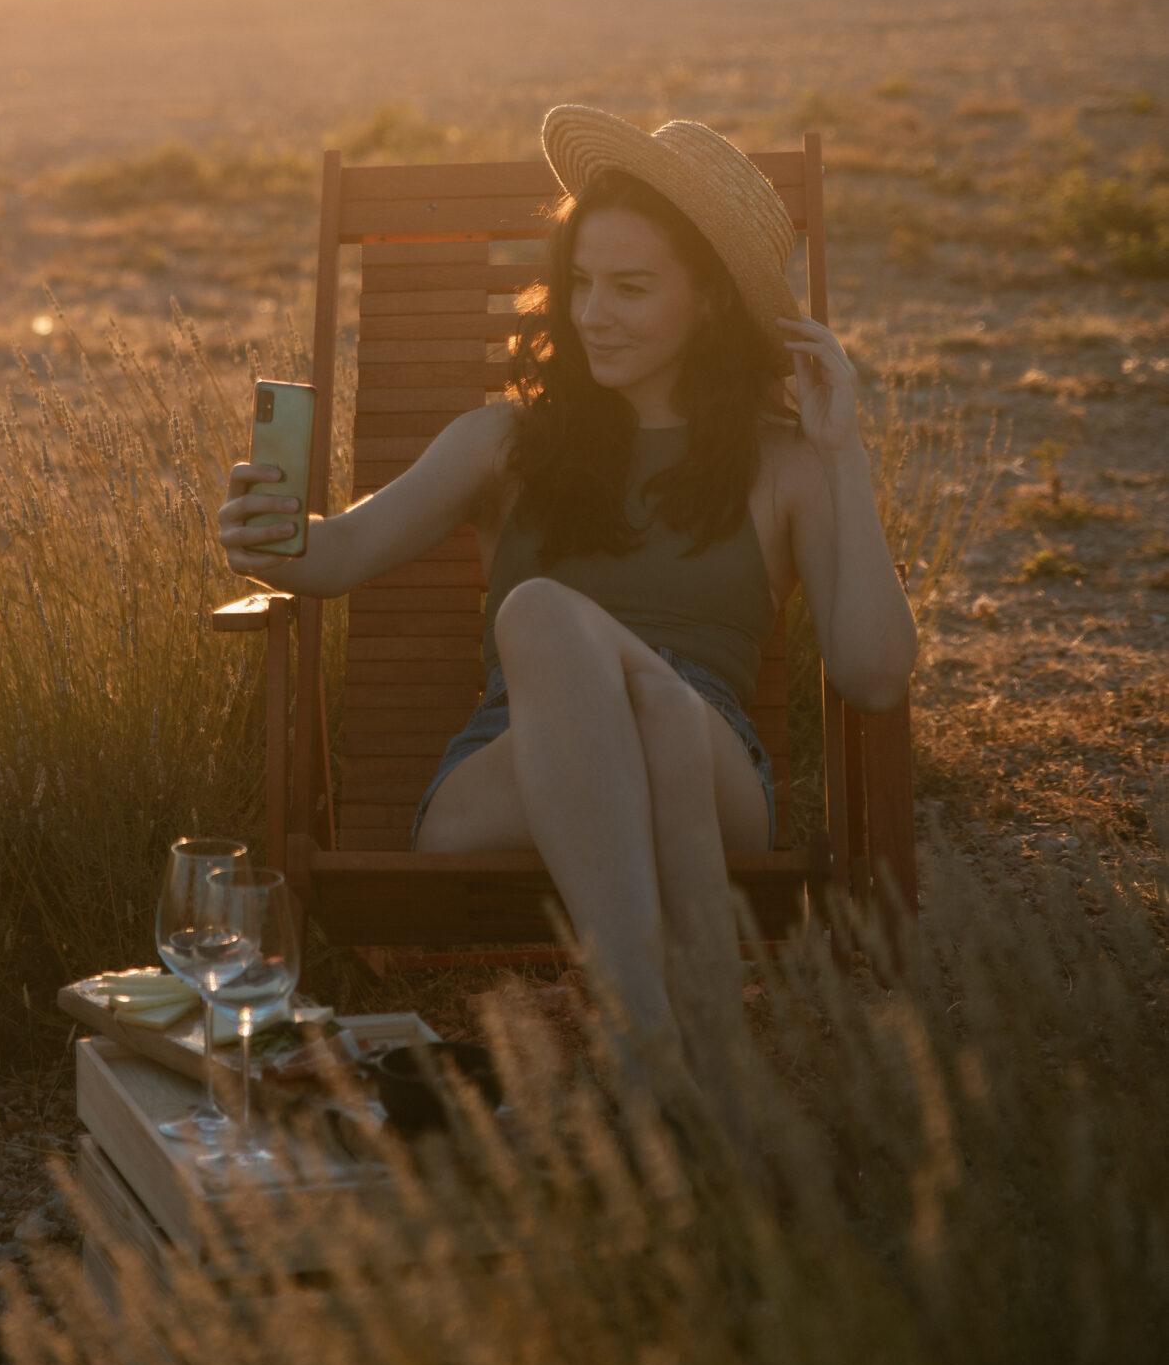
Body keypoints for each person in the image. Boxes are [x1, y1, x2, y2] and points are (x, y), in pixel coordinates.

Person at [217, 105, 916, 1137]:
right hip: (511, 770)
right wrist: (265, 533)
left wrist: (844, 452)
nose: (596, 314)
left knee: (650, 696)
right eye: (583, 282)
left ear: (711, 304)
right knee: (576, 645)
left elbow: (872, 673)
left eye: (632, 288)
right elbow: (341, 551)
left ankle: (643, 1052)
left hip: (712, 772)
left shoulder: (787, 464)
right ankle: (686, 1053)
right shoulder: (505, 441)